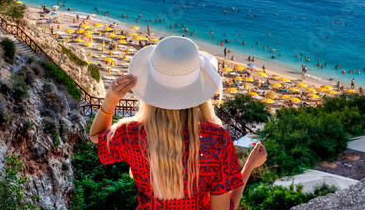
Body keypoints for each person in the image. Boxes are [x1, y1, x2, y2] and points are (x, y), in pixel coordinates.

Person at [90, 37, 267, 209]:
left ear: (151, 86)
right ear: (198, 89)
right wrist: (249, 165)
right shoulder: (217, 139)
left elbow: (96, 136)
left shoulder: (130, 133)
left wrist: (110, 100)